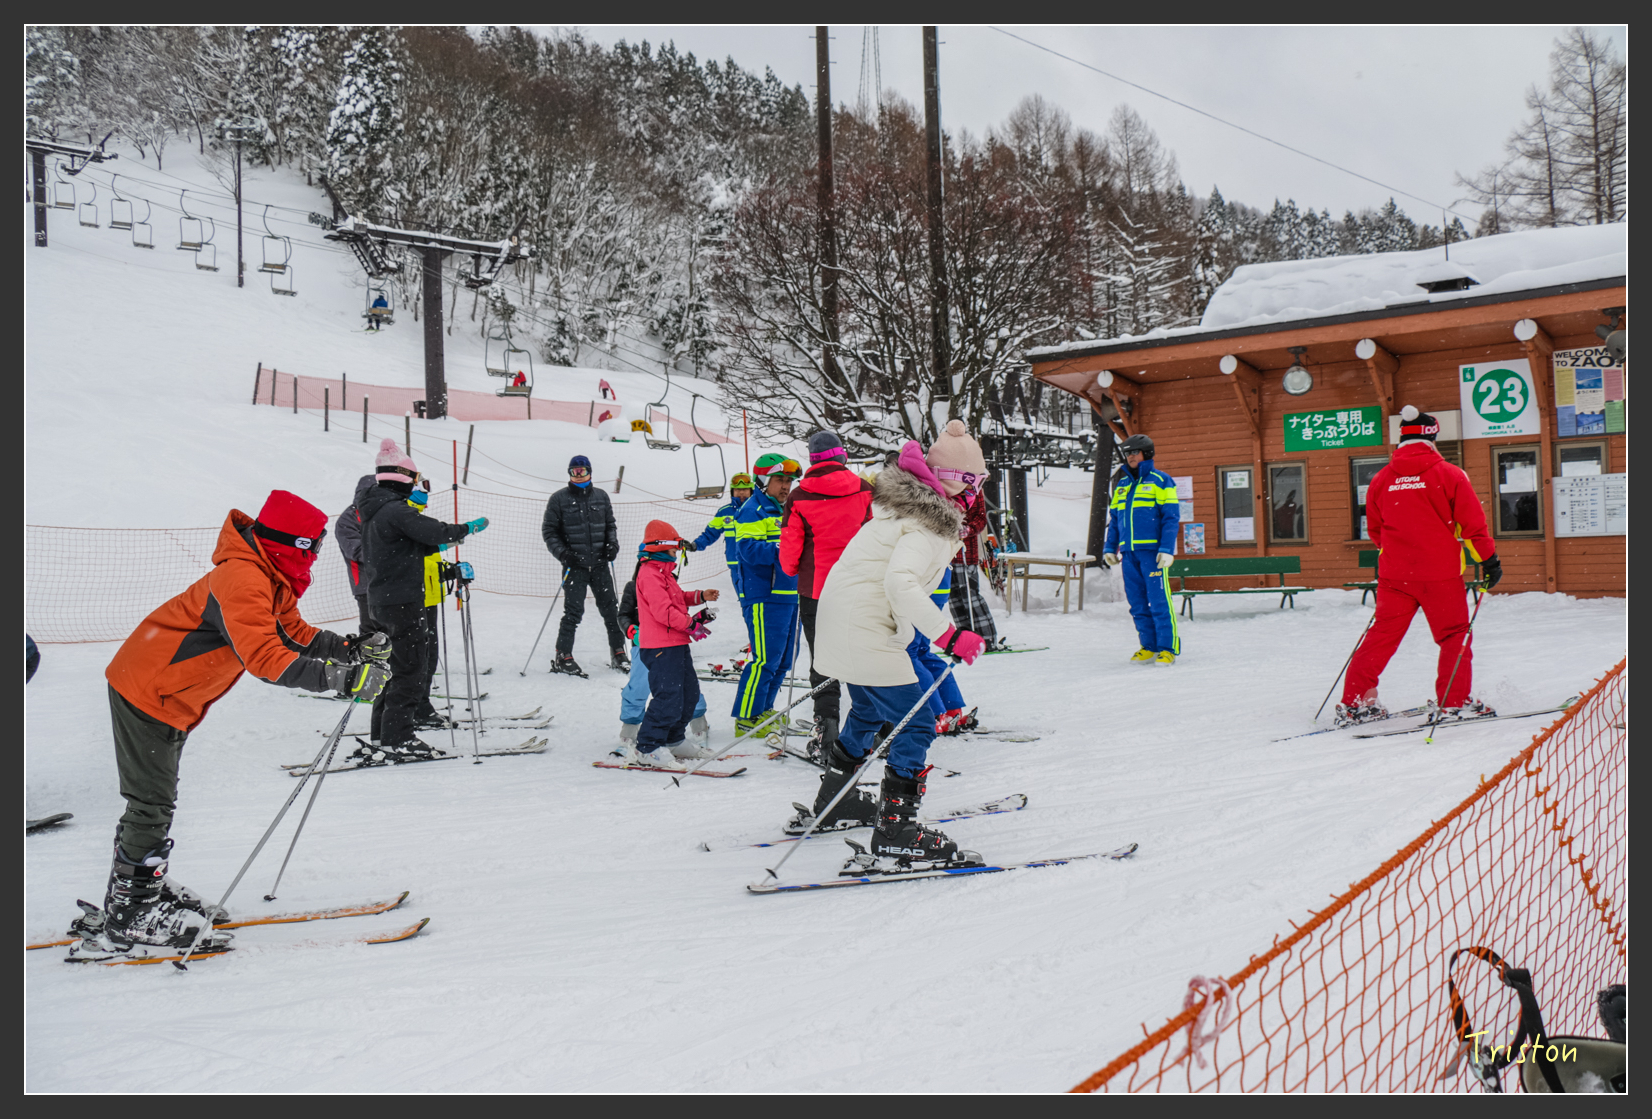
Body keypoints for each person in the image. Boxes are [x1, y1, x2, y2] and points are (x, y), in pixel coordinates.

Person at [87, 490, 389, 949]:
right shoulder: (244, 578)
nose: (316, 555)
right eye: (312, 546)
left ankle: (139, 887)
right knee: (151, 802)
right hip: (149, 690)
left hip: (168, 692)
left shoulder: (266, 574)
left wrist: (349, 650)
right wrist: (344, 681)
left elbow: (293, 633)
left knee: (154, 798)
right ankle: (132, 910)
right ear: (291, 544)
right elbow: (266, 659)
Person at [799, 421, 989, 858]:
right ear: (955, 481)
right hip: (865, 631)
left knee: (866, 710)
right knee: (917, 723)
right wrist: (949, 634)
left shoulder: (905, 512)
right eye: (975, 481)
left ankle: (837, 798)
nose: (978, 491)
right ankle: (896, 831)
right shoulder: (926, 525)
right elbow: (900, 584)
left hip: (843, 626)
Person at [1337, 407, 1501, 726]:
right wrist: (1489, 560)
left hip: (1394, 577)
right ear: (1432, 438)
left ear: (1402, 439)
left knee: (1381, 636)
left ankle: (1357, 702)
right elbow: (1473, 526)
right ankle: (1453, 702)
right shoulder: (1450, 475)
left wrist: (1400, 554)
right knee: (1454, 635)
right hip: (1440, 576)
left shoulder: (1381, 479)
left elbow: (1375, 530)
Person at [358, 439, 486, 758]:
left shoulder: (375, 509)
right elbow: (433, 532)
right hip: (402, 600)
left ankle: (383, 730)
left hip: (382, 599)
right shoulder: (395, 509)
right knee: (411, 668)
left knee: (392, 666)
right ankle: (399, 735)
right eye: (415, 480)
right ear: (404, 478)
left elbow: (409, 545)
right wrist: (464, 528)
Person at [778, 430, 875, 756]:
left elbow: (789, 554)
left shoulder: (800, 496)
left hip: (817, 591)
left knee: (824, 659)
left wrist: (795, 569)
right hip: (860, 587)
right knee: (864, 654)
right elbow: (876, 534)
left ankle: (828, 730)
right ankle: (879, 727)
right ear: (841, 456)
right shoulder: (864, 489)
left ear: (813, 460)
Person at [628, 520, 721, 769]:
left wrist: (699, 596)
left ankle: (672, 740)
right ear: (662, 548)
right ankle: (647, 747)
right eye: (674, 550)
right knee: (668, 696)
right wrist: (691, 625)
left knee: (688, 694)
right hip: (659, 646)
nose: (677, 555)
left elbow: (677, 599)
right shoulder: (649, 574)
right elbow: (664, 612)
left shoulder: (664, 574)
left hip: (676, 643)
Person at [731, 452, 802, 734]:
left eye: (789, 481)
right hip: (765, 595)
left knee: (784, 660)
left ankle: (764, 710)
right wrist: (785, 549)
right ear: (763, 481)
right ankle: (747, 718)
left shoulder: (788, 509)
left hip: (789, 594)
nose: (786, 486)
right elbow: (747, 550)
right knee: (764, 658)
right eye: (780, 480)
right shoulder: (753, 509)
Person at [541, 454, 625, 676]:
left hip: (600, 565)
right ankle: (563, 656)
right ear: (569, 474)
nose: (579, 475)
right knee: (573, 613)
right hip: (574, 566)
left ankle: (618, 653)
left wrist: (612, 545)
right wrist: (563, 554)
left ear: (590, 472)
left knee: (611, 610)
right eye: (574, 471)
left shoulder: (601, 497)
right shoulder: (559, 499)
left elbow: (610, 525)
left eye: (582, 471)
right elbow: (549, 532)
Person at [616, 551, 710, 752]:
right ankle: (630, 728)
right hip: (643, 645)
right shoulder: (636, 585)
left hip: (670, 644)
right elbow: (623, 615)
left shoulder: (670, 584)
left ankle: (696, 722)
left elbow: (677, 610)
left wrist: (698, 616)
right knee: (639, 687)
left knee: (683, 687)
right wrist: (633, 631)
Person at [1101, 433, 1181, 665]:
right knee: (1136, 602)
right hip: (1128, 553)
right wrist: (1110, 547)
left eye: (1134, 452)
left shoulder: (1161, 481)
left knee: (1158, 601)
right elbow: (1115, 520)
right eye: (1127, 453)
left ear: (1147, 453)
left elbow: (1170, 518)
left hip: (1152, 554)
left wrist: (1166, 549)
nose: (1130, 457)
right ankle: (1148, 646)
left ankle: (1167, 648)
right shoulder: (1122, 485)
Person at [910, 567, 975, 734]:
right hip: (938, 583)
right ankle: (952, 710)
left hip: (921, 587)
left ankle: (934, 715)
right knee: (921, 652)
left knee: (909, 655)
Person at [688, 471, 754, 607]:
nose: (741, 493)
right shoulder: (725, 513)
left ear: (751, 490)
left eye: (745, 490)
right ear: (732, 492)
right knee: (745, 604)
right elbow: (710, 533)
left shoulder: (757, 510)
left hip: (755, 566)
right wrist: (695, 545)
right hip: (736, 566)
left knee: (757, 603)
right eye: (738, 490)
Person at [948, 486, 1002, 650]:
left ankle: (987, 638)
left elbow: (980, 519)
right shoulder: (943, 485)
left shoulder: (973, 487)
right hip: (946, 554)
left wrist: (968, 529)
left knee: (969, 595)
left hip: (966, 553)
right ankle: (966, 638)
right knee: (953, 598)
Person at [335, 470, 378, 634]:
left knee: (393, 630)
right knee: (372, 631)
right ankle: (369, 658)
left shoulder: (380, 515)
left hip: (388, 583)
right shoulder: (348, 519)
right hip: (365, 585)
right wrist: (388, 550)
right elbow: (355, 550)